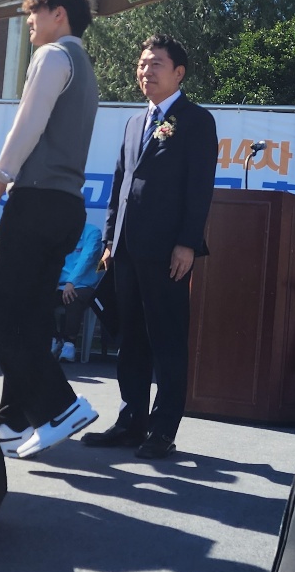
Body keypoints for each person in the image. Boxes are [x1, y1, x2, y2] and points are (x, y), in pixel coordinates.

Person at [0, 0, 102, 460]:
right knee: (28, 315)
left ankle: (59, 407)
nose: (29, 22)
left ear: (58, 14)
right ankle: (12, 420)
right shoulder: (84, 67)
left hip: (37, 201)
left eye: (33, 12)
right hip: (66, 206)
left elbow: (29, 123)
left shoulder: (52, 56)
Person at [82, 33, 219, 461]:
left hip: (166, 251)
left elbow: (199, 189)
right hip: (125, 249)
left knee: (167, 340)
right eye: (142, 64)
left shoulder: (196, 120)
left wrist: (187, 244)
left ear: (179, 72)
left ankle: (163, 429)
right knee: (131, 340)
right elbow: (119, 186)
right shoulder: (133, 123)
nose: (146, 71)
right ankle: (130, 422)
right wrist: (109, 240)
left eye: (156, 63)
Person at [53, 219, 105, 363]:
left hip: (84, 284)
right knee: (39, 297)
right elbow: (52, 259)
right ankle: (54, 338)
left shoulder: (93, 233)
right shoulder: (57, 233)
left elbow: (87, 259)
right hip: (60, 283)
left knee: (73, 297)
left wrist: (71, 282)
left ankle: (70, 343)